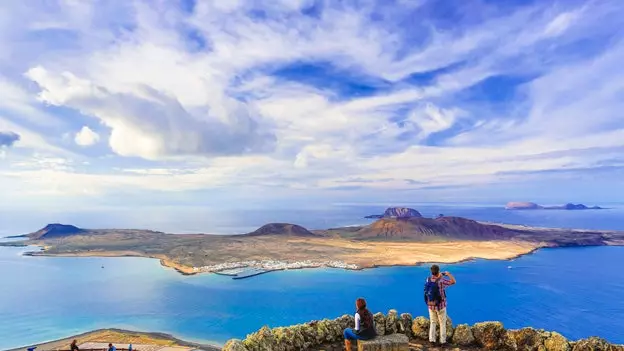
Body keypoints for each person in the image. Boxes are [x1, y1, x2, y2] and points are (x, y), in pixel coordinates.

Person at [424, 264, 456, 345]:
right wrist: (448, 274)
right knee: (442, 324)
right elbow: (453, 282)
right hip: (440, 305)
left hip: (431, 305)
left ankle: (432, 340)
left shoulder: (428, 279)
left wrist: (439, 275)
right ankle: (443, 341)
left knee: (433, 322)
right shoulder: (441, 281)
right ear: (438, 271)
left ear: (431, 272)